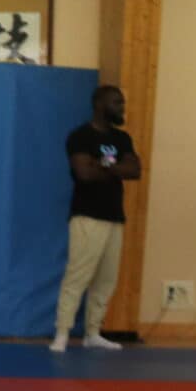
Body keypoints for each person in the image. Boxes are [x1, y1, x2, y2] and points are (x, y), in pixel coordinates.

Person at [53, 84, 142, 352]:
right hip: (87, 216)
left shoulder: (122, 138)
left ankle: (93, 332)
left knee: (107, 279)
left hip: (114, 216)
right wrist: (115, 169)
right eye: (117, 103)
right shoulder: (80, 137)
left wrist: (103, 165)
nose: (122, 108)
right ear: (100, 104)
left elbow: (135, 170)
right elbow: (84, 174)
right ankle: (62, 332)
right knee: (78, 275)